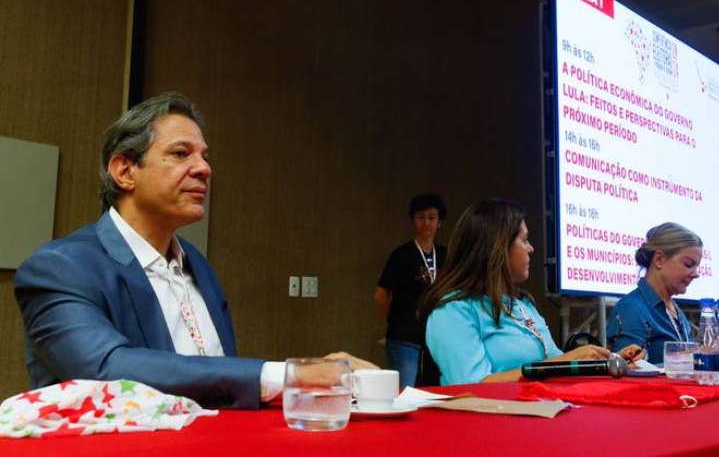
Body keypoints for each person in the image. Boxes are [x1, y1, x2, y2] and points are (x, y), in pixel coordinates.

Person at [14, 92, 375, 409]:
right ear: (125, 171)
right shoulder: (60, 267)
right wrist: (295, 375)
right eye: (181, 153)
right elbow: (108, 370)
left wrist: (313, 382)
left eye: (204, 156)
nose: (204, 169)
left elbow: (214, 378)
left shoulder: (196, 264)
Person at [420, 198, 640, 385]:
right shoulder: (453, 309)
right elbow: (474, 385)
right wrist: (564, 362)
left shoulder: (522, 304)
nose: (531, 248)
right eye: (524, 240)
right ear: (496, 246)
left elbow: (557, 364)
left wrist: (605, 361)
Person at [374, 194, 447, 388]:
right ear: (413, 221)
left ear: (439, 222)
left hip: (436, 337)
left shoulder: (445, 255)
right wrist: (394, 320)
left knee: (434, 390)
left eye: (432, 217)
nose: (426, 223)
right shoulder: (401, 255)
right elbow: (381, 295)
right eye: (421, 217)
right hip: (405, 337)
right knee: (406, 391)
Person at [607, 222, 702, 365]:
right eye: (688, 264)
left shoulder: (676, 312)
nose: (696, 274)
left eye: (697, 266)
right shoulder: (632, 309)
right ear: (659, 260)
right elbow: (625, 372)